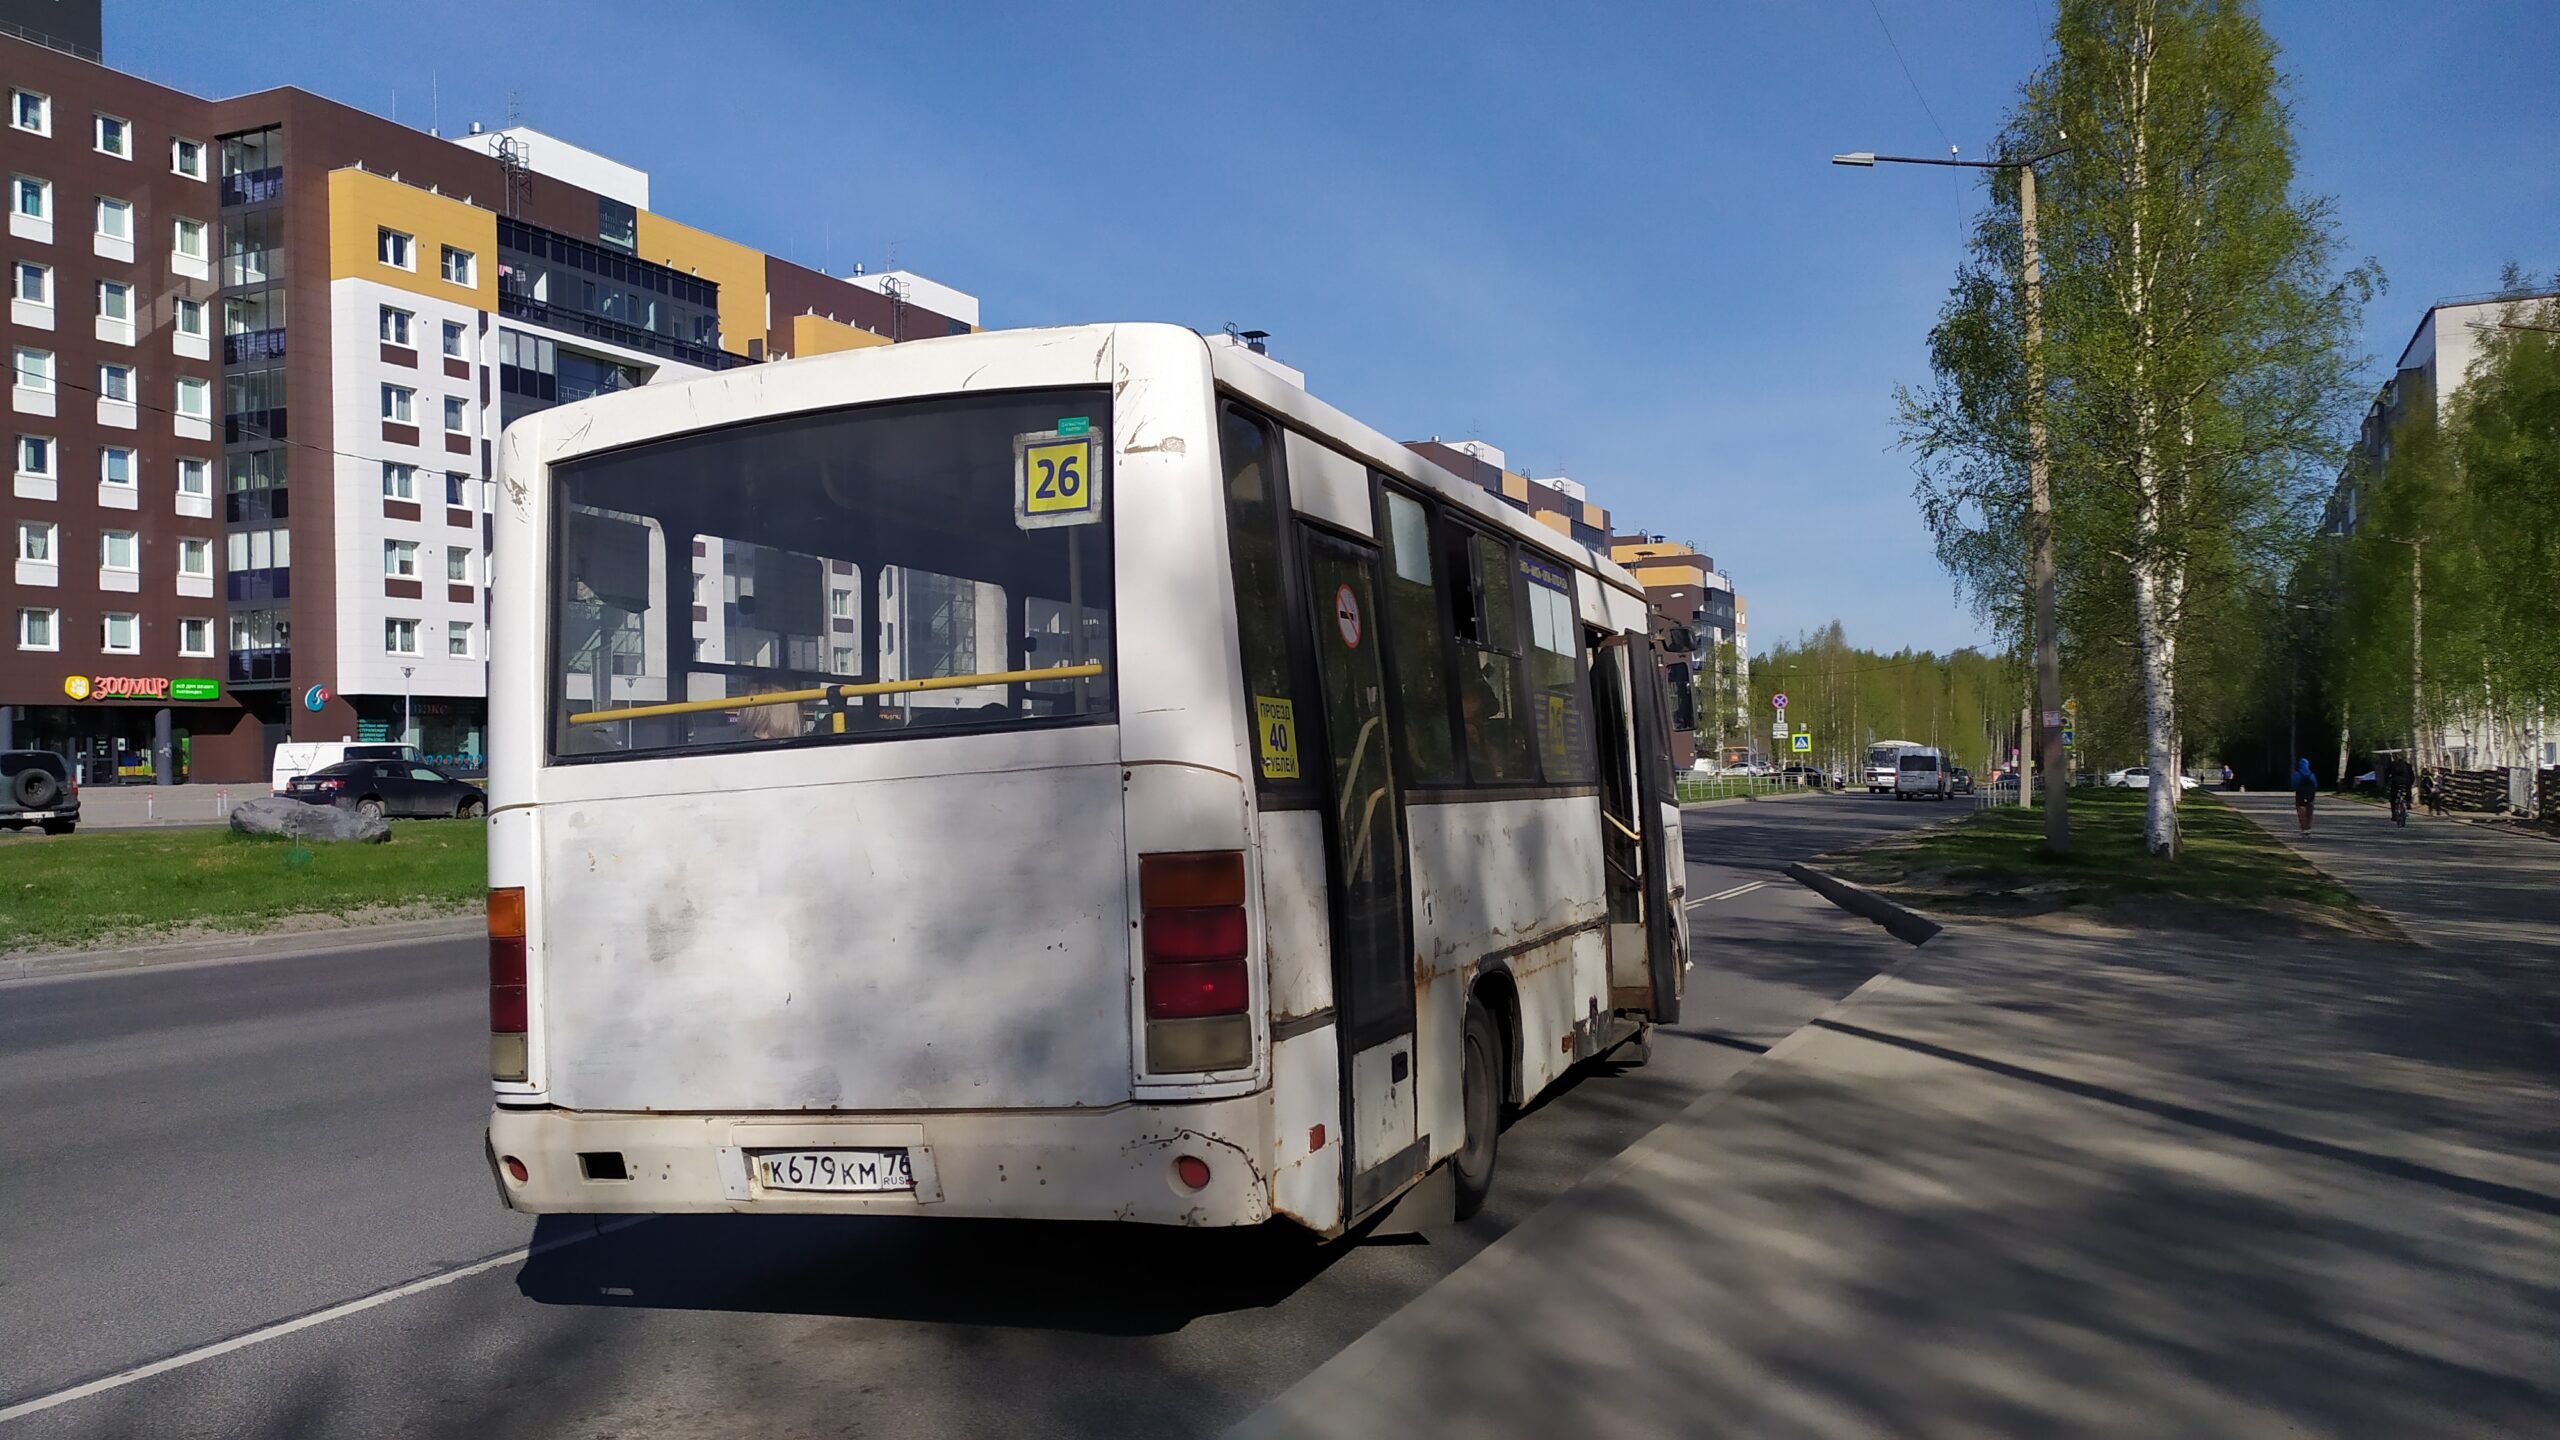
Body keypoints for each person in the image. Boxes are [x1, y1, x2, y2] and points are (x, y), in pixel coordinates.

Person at [2291, 757, 2318, 833]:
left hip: (2300, 794)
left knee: (2301, 810)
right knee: (2309, 810)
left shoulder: (2296, 774)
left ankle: (2303, 826)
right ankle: (2308, 826)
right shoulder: (2311, 774)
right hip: (2310, 795)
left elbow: (2293, 785)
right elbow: (2315, 785)